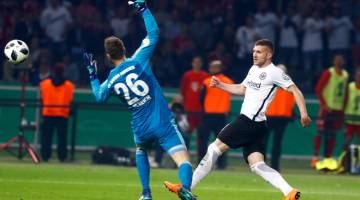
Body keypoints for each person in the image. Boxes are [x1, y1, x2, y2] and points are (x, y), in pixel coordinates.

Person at [165, 39, 311, 200]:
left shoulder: (275, 72)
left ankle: (187, 188)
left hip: (248, 122)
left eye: (259, 52)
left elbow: (296, 90)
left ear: (269, 54)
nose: (254, 54)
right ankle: (289, 191)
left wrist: (303, 113)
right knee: (257, 165)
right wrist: (220, 85)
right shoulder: (254, 69)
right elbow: (242, 89)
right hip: (258, 125)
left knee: (214, 148)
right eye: (254, 51)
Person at [83, 1, 196, 200]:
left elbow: (99, 97)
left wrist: (92, 75)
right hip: (161, 121)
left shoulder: (110, 80)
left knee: (141, 149)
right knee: (183, 160)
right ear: (124, 49)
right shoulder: (139, 59)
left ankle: (146, 193)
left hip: (141, 126)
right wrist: (144, 9)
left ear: (108, 57)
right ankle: (185, 188)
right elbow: (154, 33)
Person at [312, 54, 349, 169]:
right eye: (337, 59)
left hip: (338, 110)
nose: (339, 61)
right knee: (320, 132)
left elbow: (345, 93)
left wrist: (343, 109)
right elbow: (318, 88)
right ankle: (315, 158)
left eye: (341, 59)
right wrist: (324, 104)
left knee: (332, 135)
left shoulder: (345, 75)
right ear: (333, 61)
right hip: (327, 109)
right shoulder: (329, 72)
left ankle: (328, 159)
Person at [197, 60, 233, 169]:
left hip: (208, 115)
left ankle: (201, 162)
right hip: (222, 116)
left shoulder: (207, 81)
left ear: (217, 68)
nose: (210, 68)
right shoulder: (228, 81)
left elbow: (201, 99)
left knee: (203, 140)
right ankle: (221, 165)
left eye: (212, 67)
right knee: (222, 142)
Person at [39, 64, 75, 162]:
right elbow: (70, 101)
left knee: (46, 137)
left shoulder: (44, 84)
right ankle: (62, 157)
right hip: (62, 114)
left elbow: (42, 100)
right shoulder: (70, 86)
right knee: (62, 138)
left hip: (48, 113)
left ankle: (45, 156)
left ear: (53, 71)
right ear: (63, 71)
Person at [265, 64, 295, 172]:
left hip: (271, 117)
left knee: (266, 142)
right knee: (276, 143)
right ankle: (274, 166)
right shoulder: (289, 84)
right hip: (280, 117)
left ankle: (264, 165)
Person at [180, 56, 209, 135]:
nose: (197, 64)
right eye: (195, 62)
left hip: (201, 109)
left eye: (199, 62)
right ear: (192, 64)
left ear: (201, 64)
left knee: (201, 133)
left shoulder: (205, 76)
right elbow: (182, 91)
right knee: (187, 132)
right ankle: (185, 147)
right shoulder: (187, 75)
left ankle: (201, 148)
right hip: (189, 109)